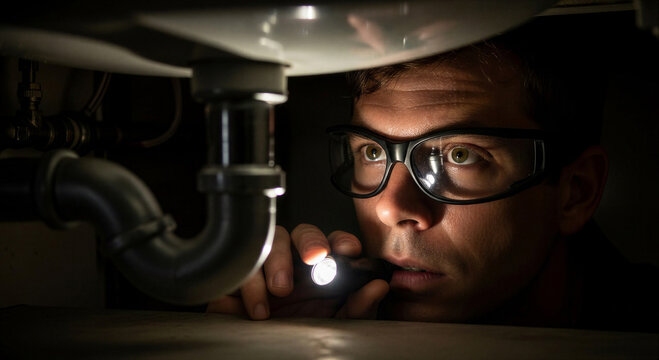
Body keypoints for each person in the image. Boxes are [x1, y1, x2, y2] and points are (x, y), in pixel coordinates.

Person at [207, 16, 658, 332]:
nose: (391, 209)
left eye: (459, 155)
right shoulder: (328, 309)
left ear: (575, 192)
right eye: (371, 151)